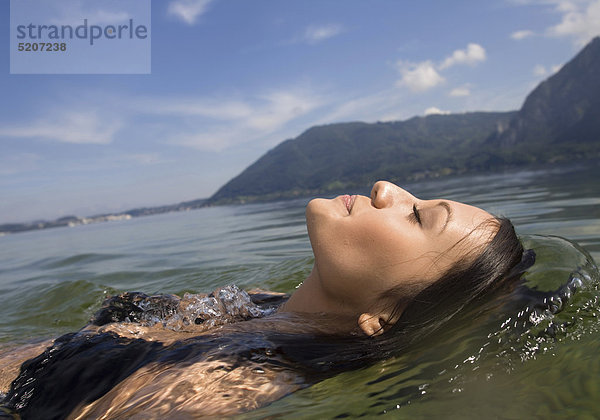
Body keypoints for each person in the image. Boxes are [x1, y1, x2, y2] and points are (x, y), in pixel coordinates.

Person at [0, 181, 530, 419]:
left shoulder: (241, 379)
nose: (386, 188)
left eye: (416, 216)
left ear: (384, 319)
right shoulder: (260, 305)